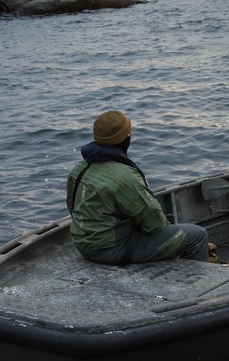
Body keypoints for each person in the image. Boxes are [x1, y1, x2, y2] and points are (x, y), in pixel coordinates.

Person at [66, 110, 209, 265]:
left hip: (82, 245)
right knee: (197, 235)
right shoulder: (125, 176)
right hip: (112, 251)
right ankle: (197, 283)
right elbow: (154, 224)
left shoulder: (79, 169)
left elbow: (72, 206)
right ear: (125, 137)